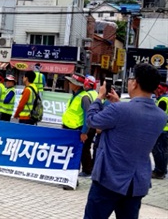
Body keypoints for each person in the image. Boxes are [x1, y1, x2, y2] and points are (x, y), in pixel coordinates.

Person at [83, 63, 165, 219]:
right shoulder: (161, 116)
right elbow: (134, 122)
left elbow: (92, 120)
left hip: (109, 178)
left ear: (135, 83)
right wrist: (118, 104)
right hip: (137, 183)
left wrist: (99, 98)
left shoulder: (119, 111)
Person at [61, 73, 93, 185]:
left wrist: (84, 132)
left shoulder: (84, 98)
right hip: (69, 129)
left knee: (75, 155)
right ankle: (67, 178)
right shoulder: (74, 95)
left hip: (77, 131)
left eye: (71, 82)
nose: (69, 84)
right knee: (68, 154)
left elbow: (88, 117)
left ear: (77, 85)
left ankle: (72, 180)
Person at [152, 82, 168, 179]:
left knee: (158, 151)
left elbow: (159, 116)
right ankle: (162, 170)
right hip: (165, 130)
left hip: (162, 130)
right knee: (163, 151)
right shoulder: (165, 98)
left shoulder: (162, 100)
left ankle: (159, 172)